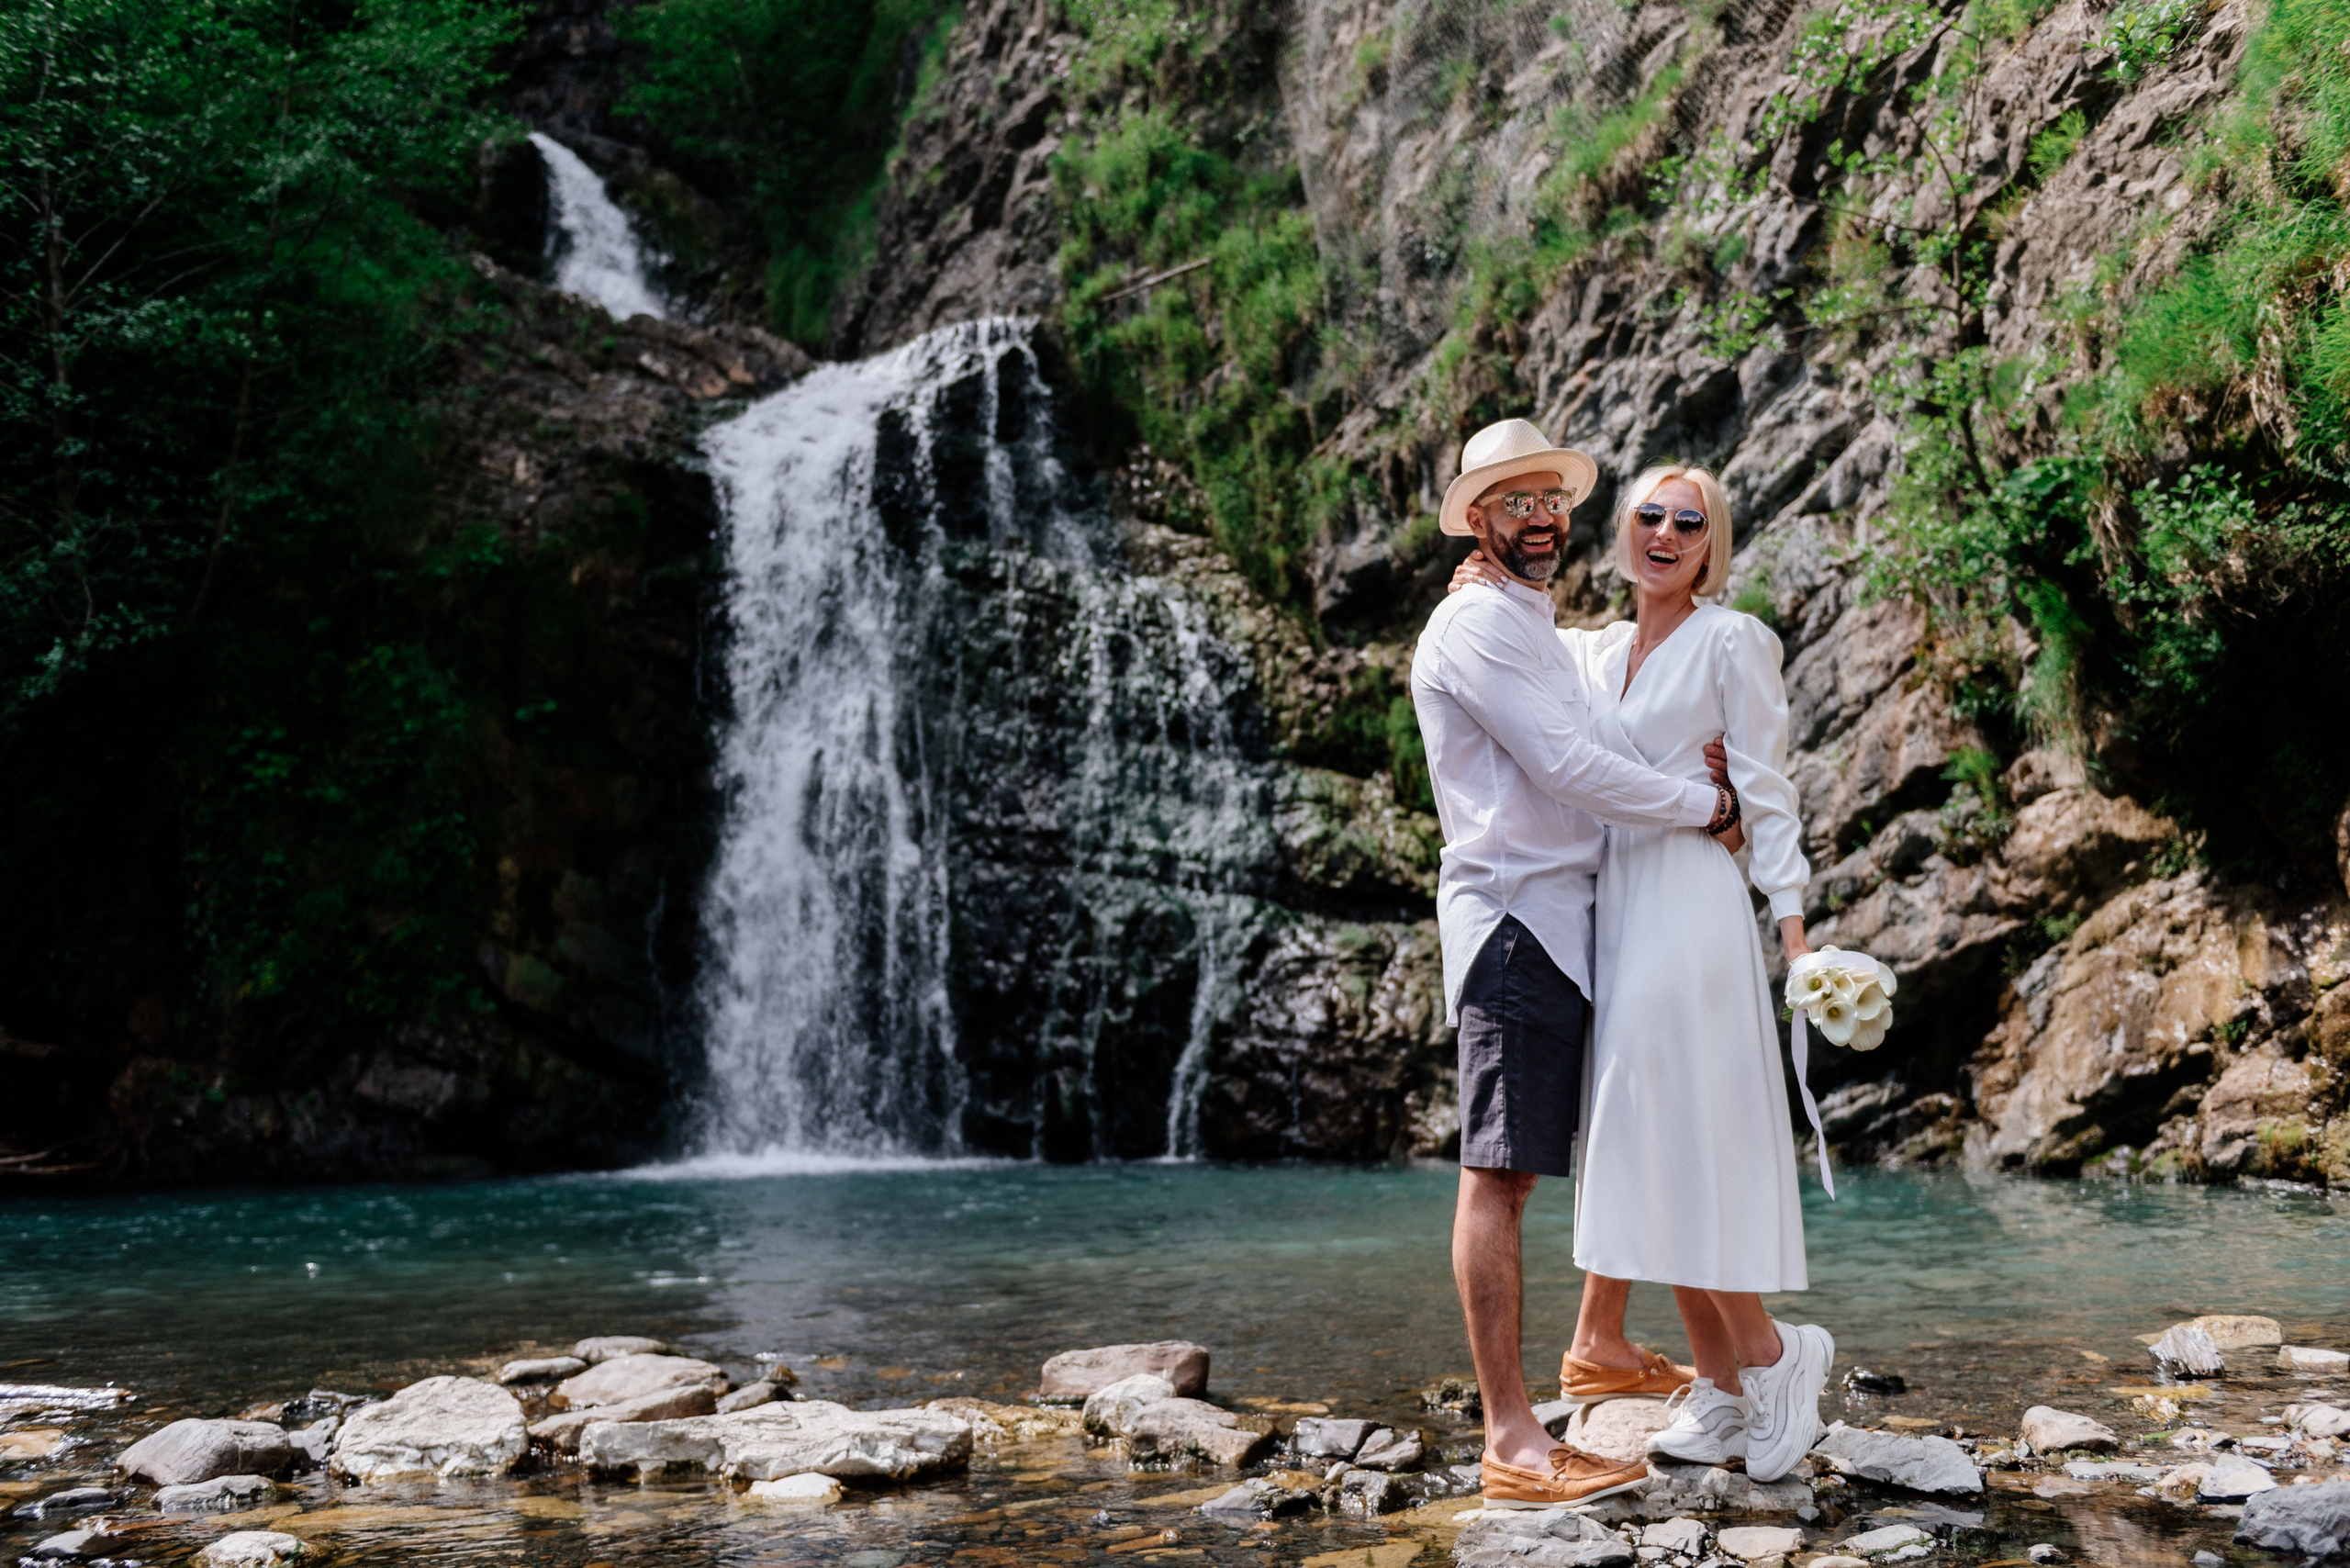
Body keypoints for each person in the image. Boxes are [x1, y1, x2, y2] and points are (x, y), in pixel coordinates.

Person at [1448, 462, 1833, 1484]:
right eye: (1650, 515)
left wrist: (1795, 937)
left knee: (1675, 1136)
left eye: (1688, 522)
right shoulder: (1588, 651)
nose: (1665, 532)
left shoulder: (1732, 640)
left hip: (1689, 910)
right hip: (1608, 916)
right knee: (1647, 1152)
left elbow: (1766, 794)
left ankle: (1773, 1355)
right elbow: (1519, 654)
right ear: (1623, 530)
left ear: (1711, 546)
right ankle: (1722, 1388)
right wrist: (1479, 575)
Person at [1411, 420, 1746, 1508]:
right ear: (1476, 519)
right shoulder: (1476, 623)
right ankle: (1512, 1440)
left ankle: (1598, 1344)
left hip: (1569, 922)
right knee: (1498, 1175)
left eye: (1550, 498)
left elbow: (1600, 699)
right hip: (1515, 920)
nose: (1540, 516)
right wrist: (1705, 805)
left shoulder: (1528, 620)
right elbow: (1565, 763)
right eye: (1513, 502)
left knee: (1616, 1128)